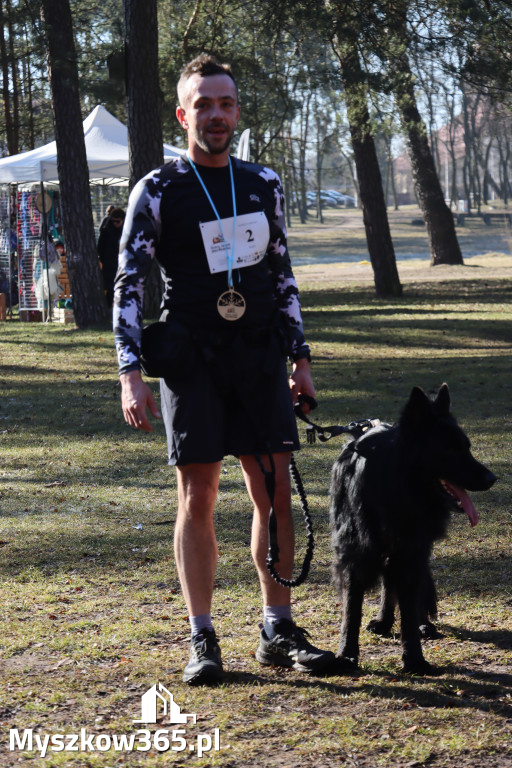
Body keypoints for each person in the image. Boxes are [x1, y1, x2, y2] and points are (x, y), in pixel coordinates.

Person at [113, 54, 334, 685]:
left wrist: (300, 358)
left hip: (260, 355)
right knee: (199, 495)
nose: (215, 114)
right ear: (183, 114)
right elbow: (129, 281)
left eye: (225, 103)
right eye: (202, 104)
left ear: (237, 112)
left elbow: (282, 273)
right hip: (193, 360)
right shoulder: (157, 189)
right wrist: (130, 369)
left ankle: (277, 626)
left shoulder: (262, 182)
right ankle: (202, 636)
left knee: (275, 492)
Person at [97, 206, 125, 307]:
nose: (115, 224)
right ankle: (109, 307)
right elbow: (100, 247)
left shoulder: (126, 231)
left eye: (117, 221)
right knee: (109, 287)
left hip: (122, 262)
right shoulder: (106, 231)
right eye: (113, 221)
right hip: (109, 263)